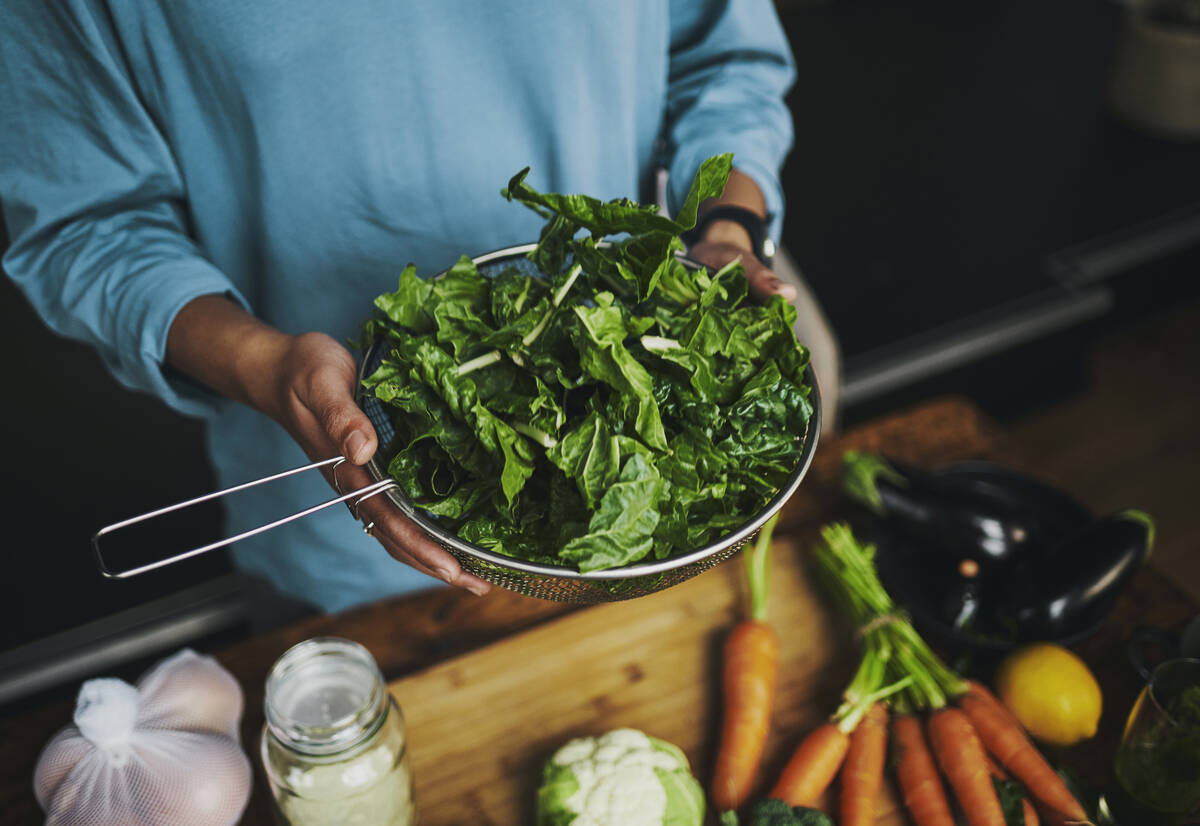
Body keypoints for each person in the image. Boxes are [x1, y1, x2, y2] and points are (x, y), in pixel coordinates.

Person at [1, 1, 839, 613]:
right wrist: (267, 366)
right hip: (343, 490)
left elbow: (723, 57)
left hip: (649, 455)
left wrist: (731, 230)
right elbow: (88, 224)